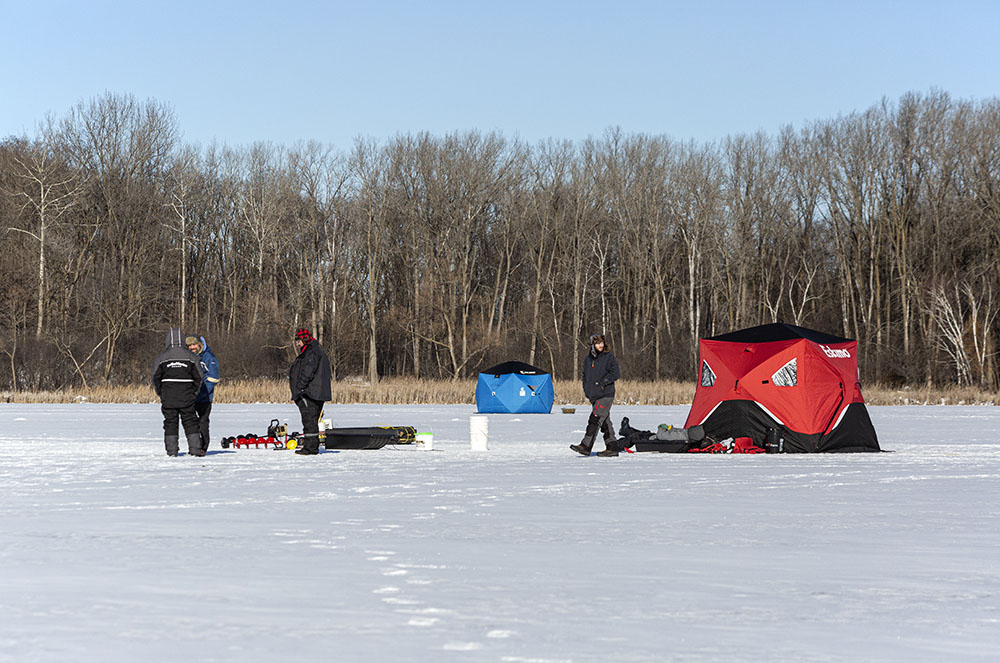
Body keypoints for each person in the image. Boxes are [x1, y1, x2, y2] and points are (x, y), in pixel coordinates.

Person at [152, 327, 204, 457]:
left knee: (170, 423)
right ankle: (195, 450)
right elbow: (199, 377)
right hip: (187, 396)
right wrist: (194, 393)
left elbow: (155, 378)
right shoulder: (191, 357)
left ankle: (172, 451)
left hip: (168, 398)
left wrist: (161, 393)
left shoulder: (161, 358)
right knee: (191, 421)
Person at [571, 333, 621, 457]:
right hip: (594, 395)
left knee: (595, 419)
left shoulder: (608, 357)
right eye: (598, 343)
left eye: (602, 342)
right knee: (605, 422)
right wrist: (586, 389)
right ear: (592, 344)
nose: (600, 345)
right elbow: (585, 376)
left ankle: (586, 445)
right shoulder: (588, 360)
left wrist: (603, 383)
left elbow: (616, 373)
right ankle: (612, 447)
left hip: (606, 394)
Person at [288, 328, 332, 455]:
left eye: (299, 341)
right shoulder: (313, 351)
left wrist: (300, 387)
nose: (297, 344)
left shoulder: (311, 352)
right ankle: (310, 446)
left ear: (305, 340)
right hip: (314, 391)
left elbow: (308, 371)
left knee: (309, 420)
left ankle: (310, 448)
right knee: (310, 420)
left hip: (310, 392)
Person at [186, 335, 220, 452]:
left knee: (203, 423)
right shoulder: (189, 357)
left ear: (199, 344)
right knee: (191, 423)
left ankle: (203, 447)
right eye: (189, 345)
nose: (192, 347)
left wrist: (201, 392)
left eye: (194, 344)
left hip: (204, 398)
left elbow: (214, 378)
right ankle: (194, 446)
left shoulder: (209, 357)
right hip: (191, 397)